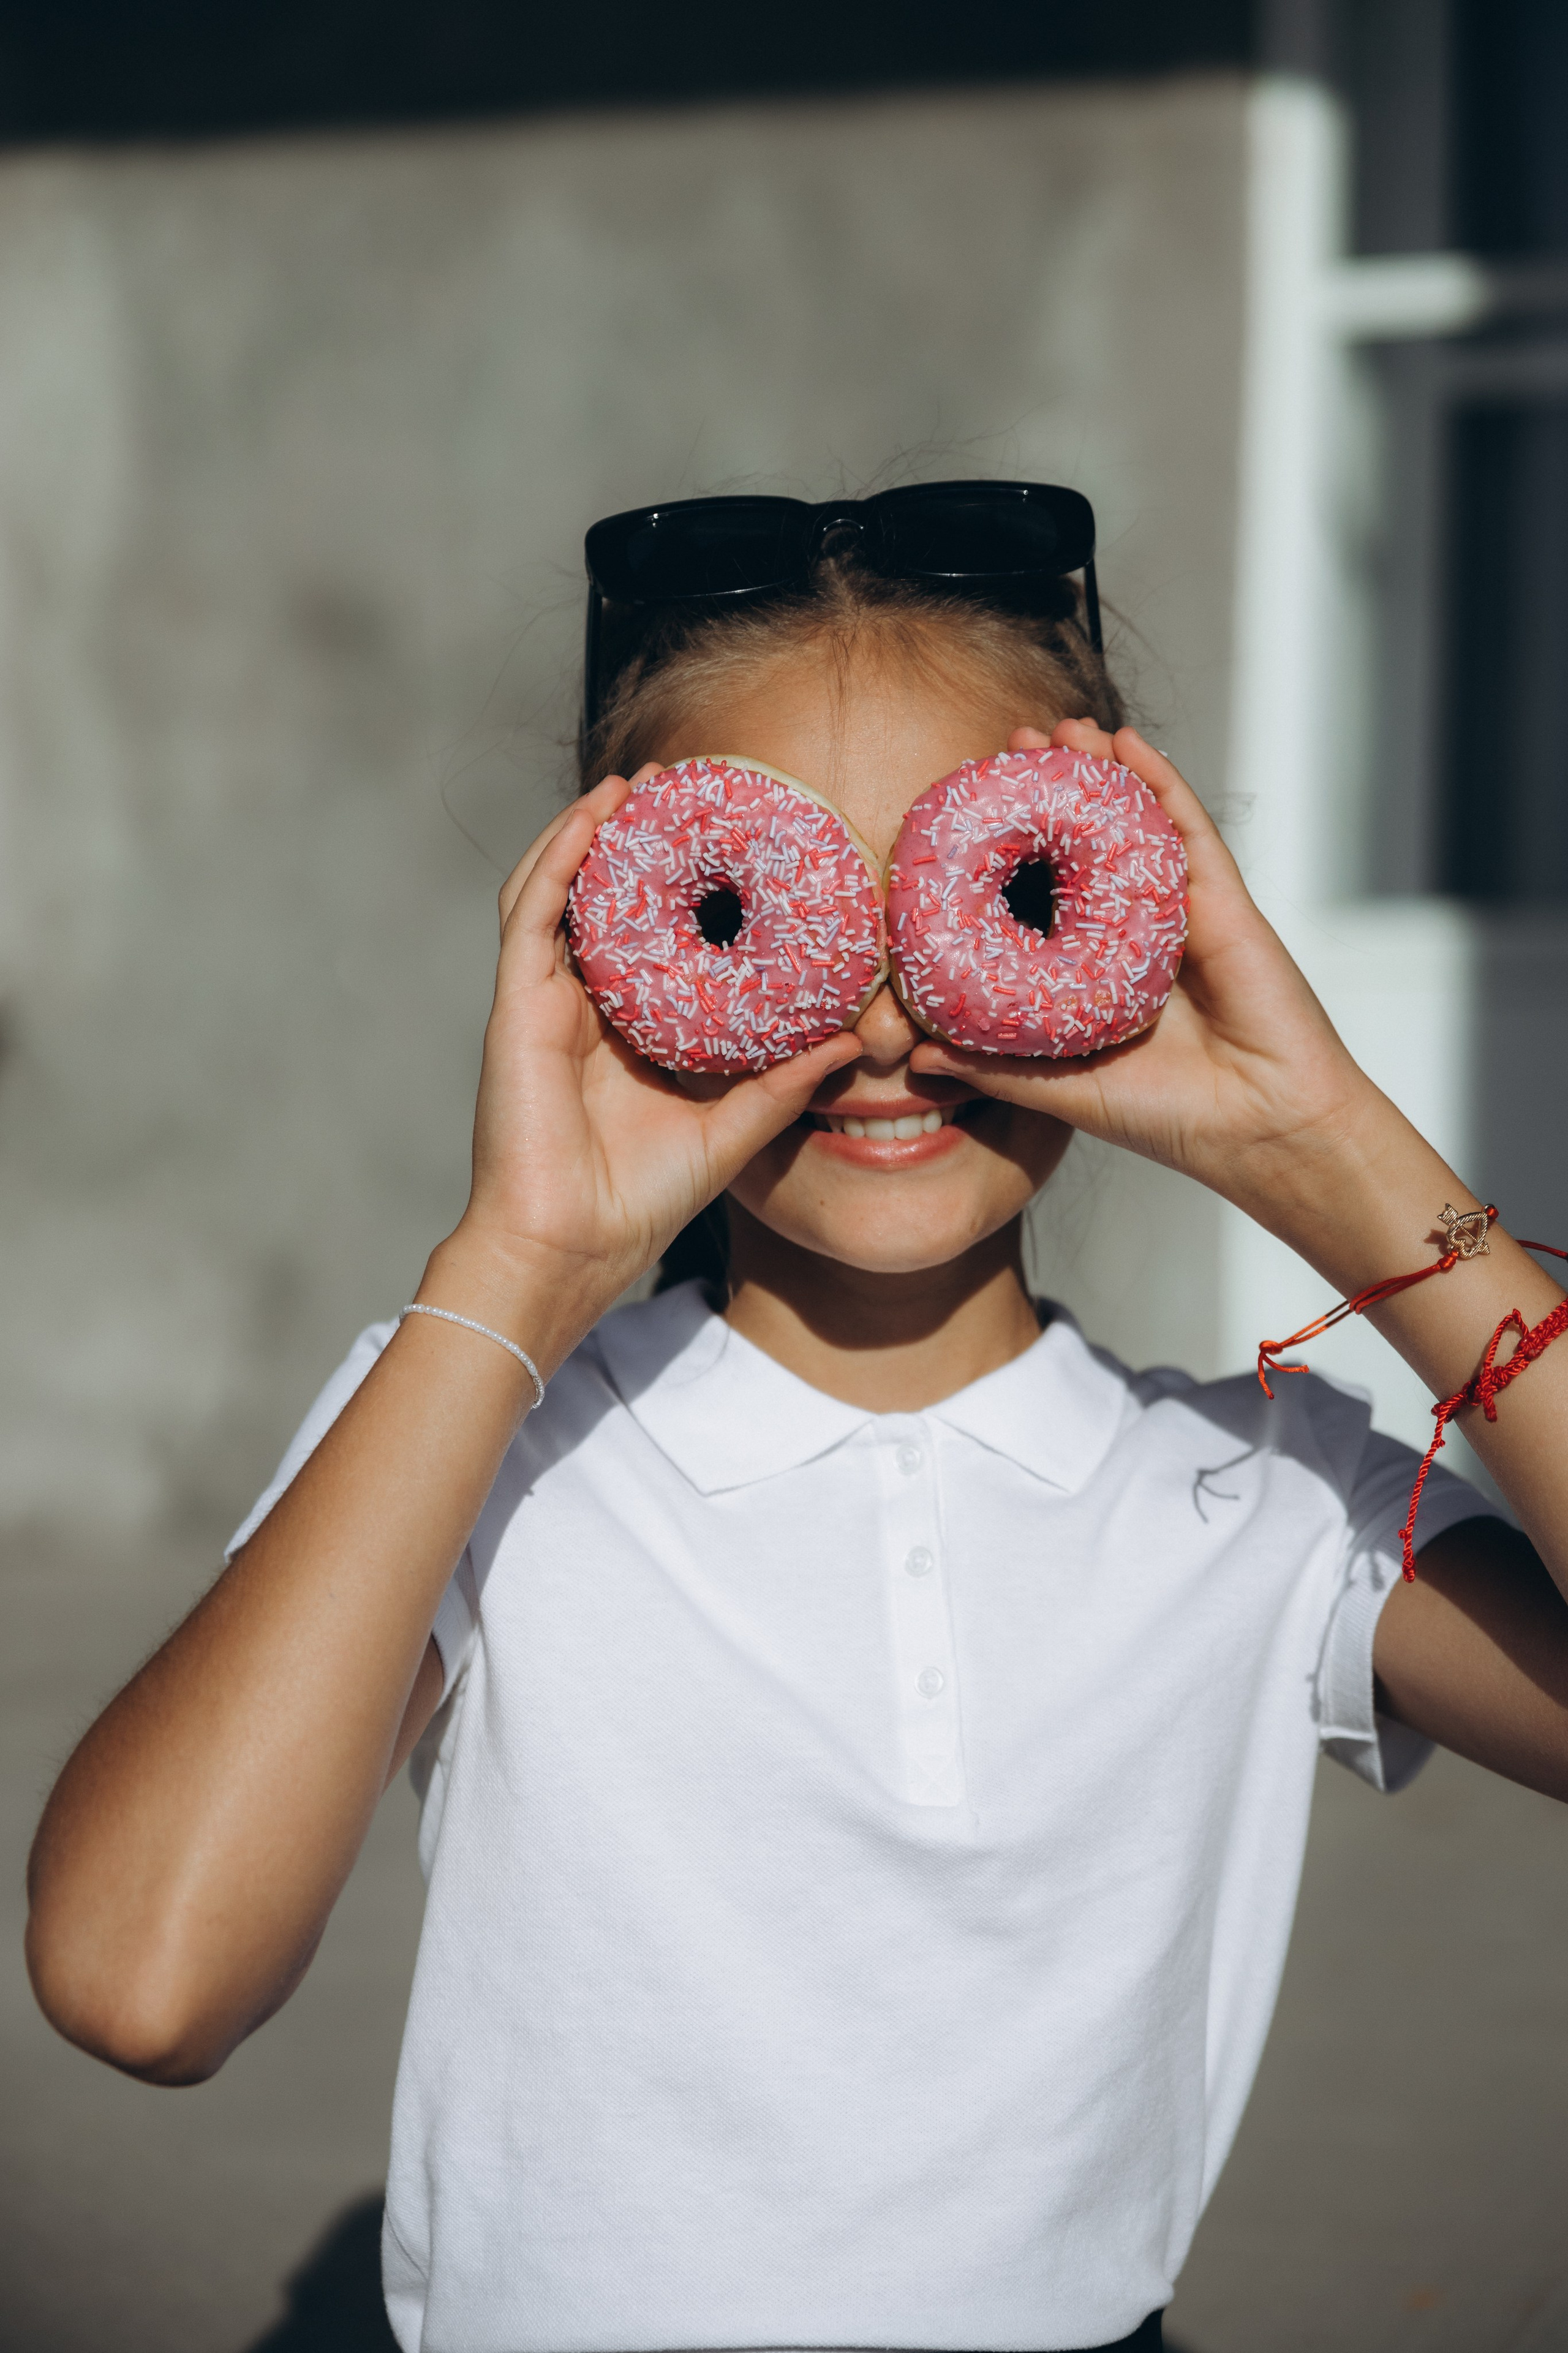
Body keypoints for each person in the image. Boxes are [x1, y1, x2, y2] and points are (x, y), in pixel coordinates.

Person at [24, 488, 1568, 2353]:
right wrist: (515, 1262)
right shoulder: (485, 1445)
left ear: (1143, 906)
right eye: (764, 909)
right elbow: (141, 1977)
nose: (887, 1027)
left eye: (987, 893)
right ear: (601, 946)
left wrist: (1328, 1149)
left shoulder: (1268, 1495)